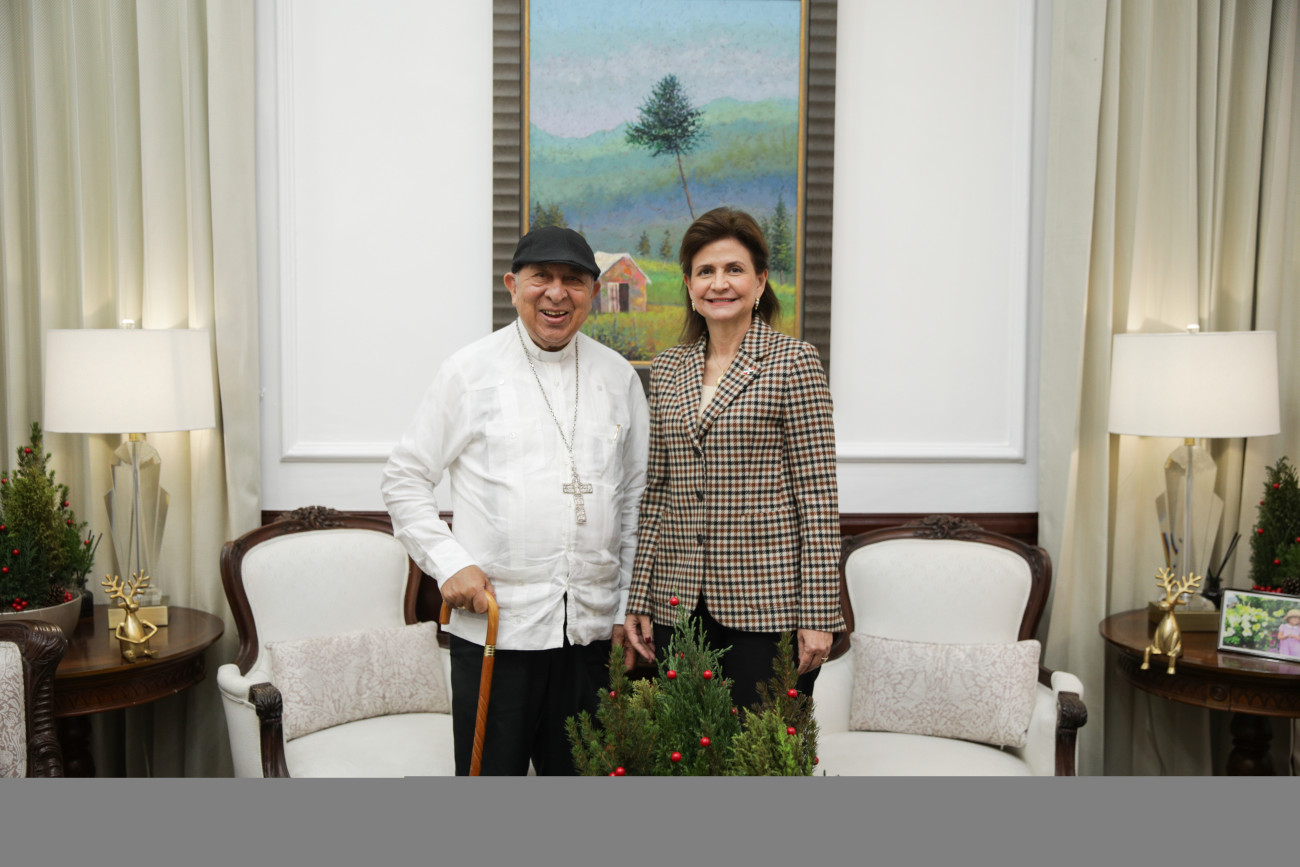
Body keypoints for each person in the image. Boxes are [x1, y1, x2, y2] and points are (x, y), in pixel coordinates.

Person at [382, 226, 649, 775]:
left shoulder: (618, 377)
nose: (557, 293)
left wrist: (625, 606)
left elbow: (632, 505)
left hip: (590, 634)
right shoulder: (468, 371)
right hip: (497, 632)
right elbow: (405, 477)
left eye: (573, 280)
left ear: (593, 292)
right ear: (512, 286)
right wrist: (450, 563)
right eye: (541, 278)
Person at [623, 206, 845, 710]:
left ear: (760, 281)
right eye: (705, 271)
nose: (719, 283)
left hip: (768, 607)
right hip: (678, 604)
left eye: (734, 269)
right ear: (689, 285)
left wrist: (818, 613)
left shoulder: (794, 362)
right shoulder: (668, 367)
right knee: (686, 746)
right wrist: (639, 597)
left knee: (762, 750)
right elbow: (657, 491)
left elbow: (818, 497)